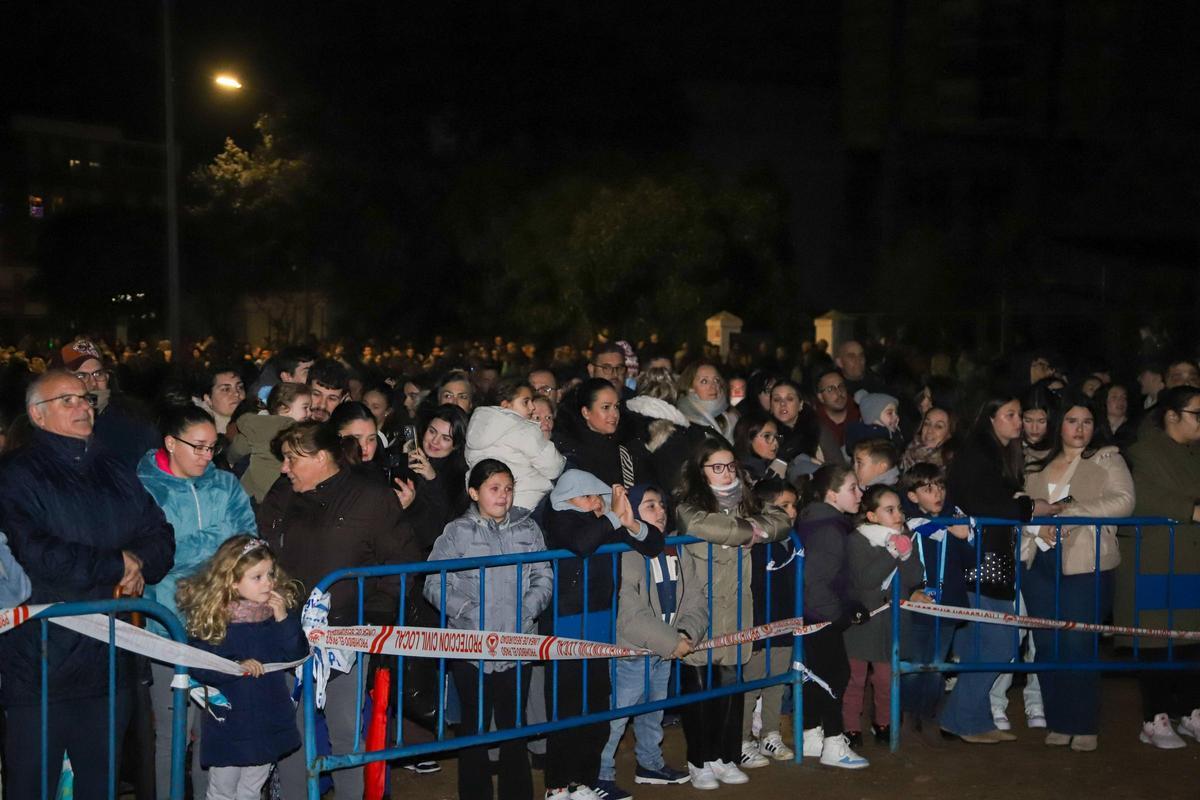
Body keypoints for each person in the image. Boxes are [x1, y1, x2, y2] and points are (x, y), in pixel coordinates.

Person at [0, 370, 175, 798]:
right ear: (37, 415)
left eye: (85, 398)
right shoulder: (15, 475)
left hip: (110, 663)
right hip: (40, 663)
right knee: (33, 783)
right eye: (67, 400)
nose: (83, 406)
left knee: (101, 784)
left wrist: (138, 563)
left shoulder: (113, 468)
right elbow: (34, 553)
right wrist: (116, 564)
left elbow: (160, 535)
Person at [258, 420, 420, 798]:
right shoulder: (283, 492)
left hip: (345, 633)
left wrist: (373, 615)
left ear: (320, 458)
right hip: (285, 631)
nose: (284, 467)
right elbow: (261, 544)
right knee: (291, 732)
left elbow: (400, 561)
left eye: (291, 458)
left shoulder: (370, 498)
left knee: (345, 731)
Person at [137, 404, 259, 798]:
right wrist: (219, 537)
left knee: (214, 729)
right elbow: (157, 557)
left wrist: (191, 546)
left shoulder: (225, 484)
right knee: (172, 733)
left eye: (212, 447)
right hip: (167, 628)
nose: (208, 456)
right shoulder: (143, 488)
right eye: (199, 447)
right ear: (171, 443)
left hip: (224, 625)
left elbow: (248, 545)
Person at [424, 460, 553, 800]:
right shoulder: (457, 533)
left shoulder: (528, 529)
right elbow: (433, 582)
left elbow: (544, 576)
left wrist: (526, 611)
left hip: (517, 643)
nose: (503, 496)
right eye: (494, 488)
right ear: (473, 492)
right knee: (474, 726)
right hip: (471, 646)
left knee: (514, 725)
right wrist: (468, 612)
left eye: (508, 489)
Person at [941, 396, 1063, 744]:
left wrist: (1022, 504)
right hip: (979, 561)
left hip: (991, 558)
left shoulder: (996, 454)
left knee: (986, 643)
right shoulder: (978, 455)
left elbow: (999, 500)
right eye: (1010, 414)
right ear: (991, 418)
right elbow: (986, 503)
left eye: (1019, 415)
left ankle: (971, 719)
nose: (1018, 421)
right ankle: (960, 718)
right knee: (999, 642)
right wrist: (1029, 507)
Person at [674, 438, 791, 787]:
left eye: (730, 466)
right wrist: (750, 530)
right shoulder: (687, 505)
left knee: (730, 689)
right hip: (700, 610)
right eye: (716, 467)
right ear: (701, 471)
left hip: (738, 610)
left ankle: (723, 756)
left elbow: (781, 519)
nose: (726, 473)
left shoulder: (747, 501)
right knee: (700, 690)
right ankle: (698, 761)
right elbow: (705, 526)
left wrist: (755, 527)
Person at [541, 470, 664, 800]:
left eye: (598, 495)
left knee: (596, 708)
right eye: (586, 496)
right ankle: (557, 784)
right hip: (565, 627)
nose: (596, 501)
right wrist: (612, 516)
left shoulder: (604, 524)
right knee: (566, 708)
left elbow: (653, 544)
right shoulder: (559, 519)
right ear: (566, 499)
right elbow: (581, 543)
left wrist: (630, 522)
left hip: (598, 624)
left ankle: (582, 780)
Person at [1022, 393, 1133, 752]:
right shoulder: (1036, 461)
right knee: (1047, 644)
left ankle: (1082, 723)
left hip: (1087, 562)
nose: (1080, 429)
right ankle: (1059, 719)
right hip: (1038, 562)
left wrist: (1072, 514)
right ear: (1059, 425)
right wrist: (1038, 525)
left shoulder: (1107, 458)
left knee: (1078, 643)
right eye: (1072, 421)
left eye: (1086, 421)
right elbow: (1024, 504)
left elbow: (1124, 501)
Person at [178, 535, 309, 800]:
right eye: (257, 577)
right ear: (232, 581)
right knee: (222, 790)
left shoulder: (275, 616)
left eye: (270, 574)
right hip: (230, 722)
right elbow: (199, 664)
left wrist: (284, 619)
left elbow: (297, 653)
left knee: (251, 789)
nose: (268, 582)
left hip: (267, 719)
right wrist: (234, 665)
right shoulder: (215, 619)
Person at [599, 485, 697, 797]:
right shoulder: (625, 551)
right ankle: (600, 773)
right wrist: (671, 641)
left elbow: (695, 598)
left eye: (662, 504)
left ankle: (650, 764)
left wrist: (687, 632)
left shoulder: (676, 547)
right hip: (633, 650)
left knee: (653, 711)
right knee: (616, 717)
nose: (661, 511)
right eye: (650, 505)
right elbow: (629, 613)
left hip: (664, 648)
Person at [1116, 385, 1200, 749]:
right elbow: (1136, 497)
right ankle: (1155, 716)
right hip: (1154, 560)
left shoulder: (1194, 452)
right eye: (1197, 414)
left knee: (1191, 637)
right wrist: (1190, 509)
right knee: (1155, 638)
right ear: (1172, 415)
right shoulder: (1142, 451)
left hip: (1190, 558)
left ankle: (1191, 710)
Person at [794, 463, 869, 768]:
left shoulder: (820, 522)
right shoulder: (829, 530)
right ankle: (834, 744)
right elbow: (815, 581)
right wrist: (837, 615)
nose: (860, 493)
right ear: (832, 494)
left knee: (817, 677)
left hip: (813, 615)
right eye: (852, 488)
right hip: (819, 617)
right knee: (836, 676)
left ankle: (812, 735)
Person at [842, 485, 928, 747]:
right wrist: (892, 553)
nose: (898, 515)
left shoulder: (905, 537)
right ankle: (850, 727)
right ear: (871, 516)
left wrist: (907, 554)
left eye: (899, 509)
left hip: (892, 622)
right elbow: (866, 580)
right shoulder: (857, 540)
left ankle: (884, 722)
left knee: (885, 678)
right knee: (855, 678)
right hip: (862, 622)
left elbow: (914, 577)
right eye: (889, 510)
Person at [899, 463, 971, 747]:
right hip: (917, 605)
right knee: (914, 664)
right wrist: (911, 591)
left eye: (940, 486)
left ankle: (928, 716)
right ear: (913, 496)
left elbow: (972, 561)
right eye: (928, 489)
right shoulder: (908, 524)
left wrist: (964, 538)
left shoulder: (956, 520)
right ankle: (907, 717)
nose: (937, 493)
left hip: (949, 602)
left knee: (937, 665)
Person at [740, 478, 800, 765]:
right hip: (757, 624)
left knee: (777, 682)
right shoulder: (752, 543)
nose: (792, 512)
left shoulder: (793, 541)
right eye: (784, 506)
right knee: (750, 685)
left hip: (784, 622)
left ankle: (770, 734)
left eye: (794, 505)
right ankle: (741, 740)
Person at [465, 377, 566, 512]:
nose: (532, 407)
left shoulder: (476, 428)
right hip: (526, 501)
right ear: (506, 405)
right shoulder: (523, 429)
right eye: (525, 402)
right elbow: (553, 467)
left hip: (486, 506)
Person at [59, 338, 158, 470]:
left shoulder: (135, 422)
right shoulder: (50, 426)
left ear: (107, 378)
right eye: (81, 376)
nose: (93, 383)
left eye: (98, 374)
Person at [553, 378, 656, 488]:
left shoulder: (628, 443)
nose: (614, 414)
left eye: (616, 406)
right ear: (586, 412)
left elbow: (649, 485)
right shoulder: (573, 454)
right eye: (606, 407)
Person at [227, 382, 312, 503]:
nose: (309, 413)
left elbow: (239, 447)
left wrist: (230, 459)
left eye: (310, 409)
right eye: (305, 408)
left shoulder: (258, 426)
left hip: (256, 488)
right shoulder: (297, 432)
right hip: (282, 490)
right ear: (283, 409)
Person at [675, 361, 738, 442]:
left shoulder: (733, 417)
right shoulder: (681, 422)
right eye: (704, 381)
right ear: (690, 388)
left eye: (716, 380)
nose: (713, 386)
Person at [812, 368, 859, 465]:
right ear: (820, 397)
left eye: (841, 386)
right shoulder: (815, 423)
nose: (838, 392)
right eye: (830, 389)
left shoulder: (860, 411)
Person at [732, 415, 787, 484]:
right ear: (748, 437)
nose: (776, 442)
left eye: (776, 436)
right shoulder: (740, 474)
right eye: (767, 436)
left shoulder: (776, 463)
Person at [900, 405, 956, 471]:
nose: (929, 430)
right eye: (927, 423)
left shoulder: (952, 465)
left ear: (949, 433)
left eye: (938, 426)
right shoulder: (906, 450)